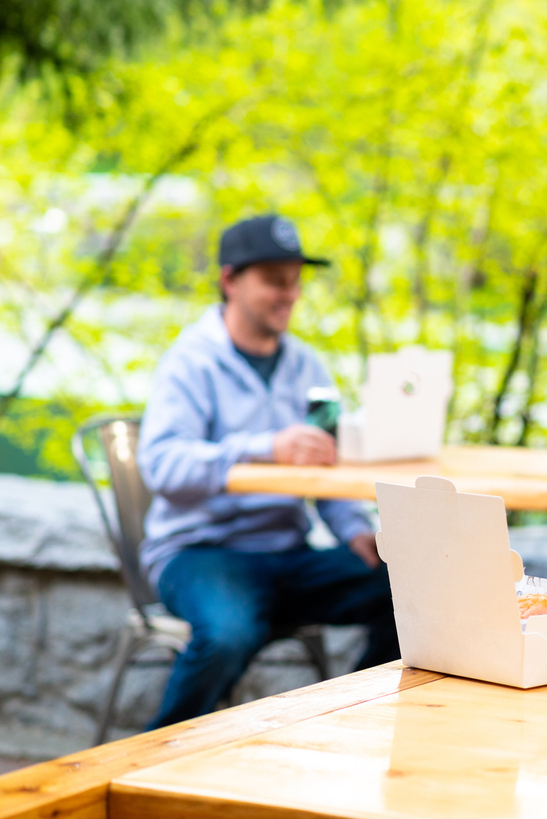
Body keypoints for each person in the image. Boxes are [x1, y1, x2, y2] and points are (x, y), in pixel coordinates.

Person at [138, 214, 399, 729]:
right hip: (202, 555)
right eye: (275, 281)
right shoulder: (189, 363)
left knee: (416, 589)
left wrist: (353, 530)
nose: (290, 294)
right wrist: (267, 448)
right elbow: (163, 465)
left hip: (289, 556)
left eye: (296, 280)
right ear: (230, 280)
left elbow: (324, 468)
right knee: (227, 635)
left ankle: (351, 727)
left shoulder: (308, 366)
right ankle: (147, 762)